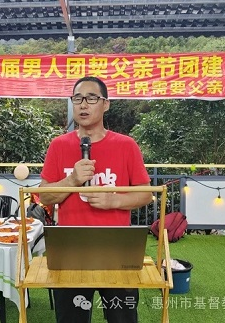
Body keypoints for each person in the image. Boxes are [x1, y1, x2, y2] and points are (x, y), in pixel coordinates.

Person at [39, 77, 153, 323]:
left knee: (123, 317)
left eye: (91, 98)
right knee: (71, 319)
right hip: (70, 250)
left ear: (106, 104)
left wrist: (114, 201)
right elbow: (44, 195)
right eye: (77, 99)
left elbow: (146, 194)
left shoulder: (126, 145)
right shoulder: (58, 146)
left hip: (117, 249)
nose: (83, 105)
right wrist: (71, 182)